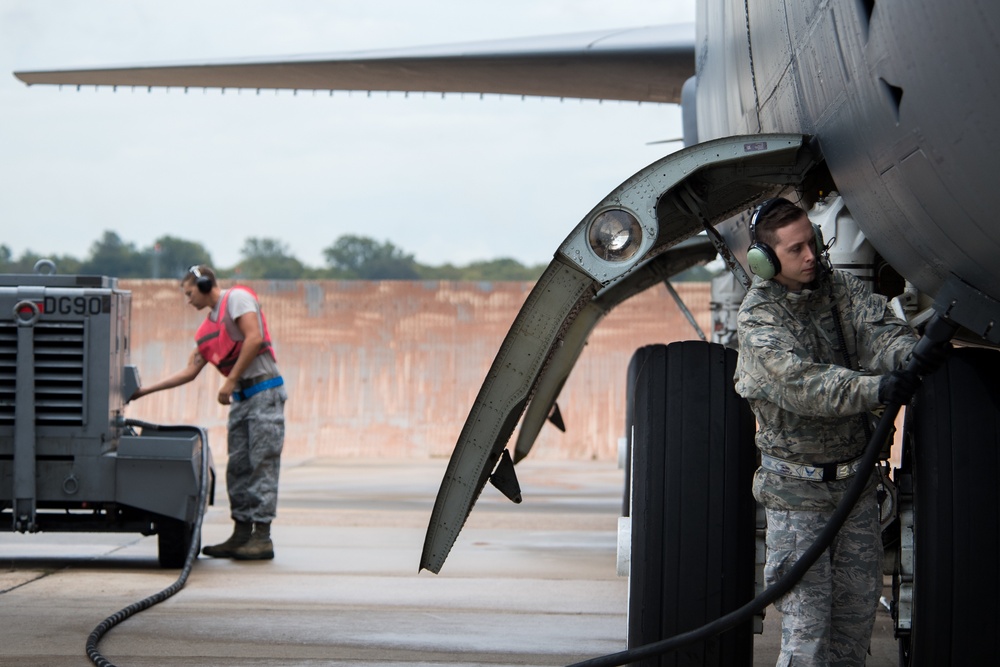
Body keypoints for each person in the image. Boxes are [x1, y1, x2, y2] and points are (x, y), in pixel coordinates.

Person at [734, 198, 922, 666]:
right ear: (765, 260)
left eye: (812, 242)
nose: (811, 256)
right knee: (807, 639)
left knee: (853, 635)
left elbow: (878, 329)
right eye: (796, 249)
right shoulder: (759, 319)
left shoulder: (839, 289)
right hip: (799, 501)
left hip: (855, 493)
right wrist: (879, 387)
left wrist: (907, 356)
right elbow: (804, 385)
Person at [131, 265, 286, 561]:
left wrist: (228, 381)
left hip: (264, 392)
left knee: (261, 465)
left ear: (204, 285)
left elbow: (254, 338)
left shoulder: (237, 299)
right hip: (242, 398)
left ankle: (262, 537)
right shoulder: (206, 330)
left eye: (189, 293)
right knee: (238, 467)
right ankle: (241, 534)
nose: (188, 300)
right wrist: (143, 391)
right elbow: (190, 371)